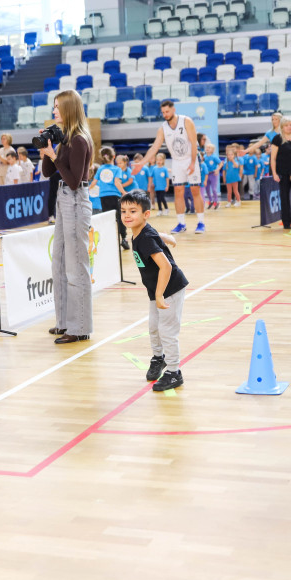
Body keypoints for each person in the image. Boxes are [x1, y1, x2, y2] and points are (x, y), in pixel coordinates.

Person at [38, 90, 95, 345]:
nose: (54, 111)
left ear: (69, 108)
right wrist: (48, 151)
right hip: (63, 201)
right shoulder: (66, 139)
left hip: (75, 199)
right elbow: (49, 172)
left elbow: (73, 181)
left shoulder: (80, 140)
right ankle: (64, 322)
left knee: (75, 267)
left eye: (57, 107)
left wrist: (54, 156)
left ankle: (80, 326)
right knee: (59, 263)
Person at [120, 190, 188, 392]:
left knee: (168, 331)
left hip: (169, 289)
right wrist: (166, 236)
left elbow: (165, 267)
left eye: (133, 211)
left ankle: (174, 372)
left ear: (146, 214)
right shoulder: (139, 232)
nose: (127, 215)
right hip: (156, 289)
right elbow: (152, 233)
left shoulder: (146, 237)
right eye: (123, 211)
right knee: (154, 327)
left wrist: (159, 295)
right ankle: (159, 358)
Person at [141, 100, 206, 234]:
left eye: (167, 111)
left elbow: (194, 144)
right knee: (178, 191)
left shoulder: (186, 121)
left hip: (190, 158)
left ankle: (201, 222)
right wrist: (141, 163)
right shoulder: (163, 128)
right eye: (163, 112)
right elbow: (154, 147)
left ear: (173, 110)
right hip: (177, 161)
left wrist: (193, 162)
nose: (165, 114)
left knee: (195, 190)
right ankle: (181, 223)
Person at [270, 116, 291, 230]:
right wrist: (274, 173)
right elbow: (273, 158)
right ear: (282, 127)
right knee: (285, 198)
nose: (289, 127)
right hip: (283, 172)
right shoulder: (277, 139)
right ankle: (287, 222)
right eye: (287, 125)